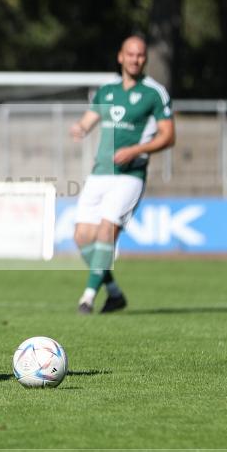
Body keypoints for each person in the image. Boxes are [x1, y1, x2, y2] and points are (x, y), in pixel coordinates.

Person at [69, 35, 175, 314]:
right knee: (81, 237)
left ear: (145, 59)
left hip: (130, 174)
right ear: (120, 56)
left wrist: (135, 150)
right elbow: (88, 121)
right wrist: (79, 128)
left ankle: (88, 298)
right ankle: (114, 293)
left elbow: (169, 136)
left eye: (140, 55)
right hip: (100, 172)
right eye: (130, 54)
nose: (135, 59)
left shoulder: (154, 93)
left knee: (106, 231)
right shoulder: (107, 91)